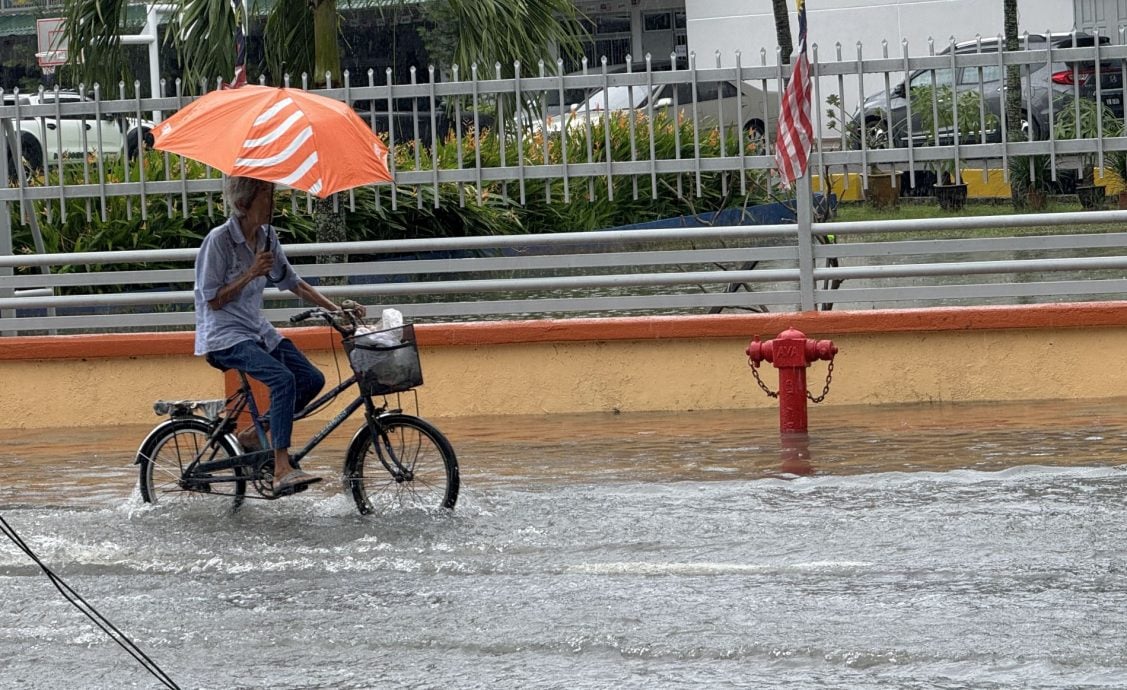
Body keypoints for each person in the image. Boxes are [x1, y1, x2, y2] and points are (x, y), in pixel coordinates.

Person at [193, 175, 365, 496]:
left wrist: (336, 310)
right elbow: (212, 298)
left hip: (256, 329)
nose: (272, 204)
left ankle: (249, 437)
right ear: (244, 204)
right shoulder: (219, 241)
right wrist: (250, 273)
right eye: (266, 197)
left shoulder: (267, 236)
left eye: (273, 196)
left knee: (310, 379)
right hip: (223, 335)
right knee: (282, 380)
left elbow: (293, 282)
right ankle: (281, 469)